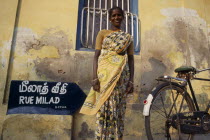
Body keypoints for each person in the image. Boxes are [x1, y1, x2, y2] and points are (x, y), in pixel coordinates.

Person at [80, 6, 134, 140]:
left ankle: (116, 137)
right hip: (104, 76)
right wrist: (94, 78)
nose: (116, 18)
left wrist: (131, 81)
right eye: (114, 16)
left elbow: (131, 60)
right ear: (110, 18)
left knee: (118, 109)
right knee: (102, 108)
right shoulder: (102, 33)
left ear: (122, 17)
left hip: (121, 78)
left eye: (119, 15)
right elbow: (96, 56)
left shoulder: (127, 37)